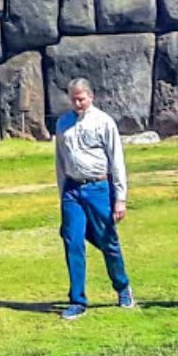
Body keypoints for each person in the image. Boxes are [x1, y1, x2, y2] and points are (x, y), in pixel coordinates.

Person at [53, 78, 134, 318]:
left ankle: (122, 286)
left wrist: (120, 197)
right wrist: (62, 193)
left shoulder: (103, 122)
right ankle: (77, 300)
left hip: (99, 188)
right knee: (73, 241)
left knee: (108, 241)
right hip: (72, 189)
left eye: (82, 98)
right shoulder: (63, 123)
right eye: (74, 99)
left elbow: (116, 160)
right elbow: (60, 160)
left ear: (91, 96)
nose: (78, 103)